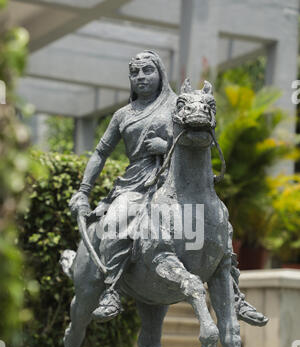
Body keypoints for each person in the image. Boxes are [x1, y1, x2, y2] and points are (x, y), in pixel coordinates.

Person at [70, 50, 268, 327]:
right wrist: (83, 190)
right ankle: (112, 289)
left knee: (220, 223)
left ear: (160, 73)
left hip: (177, 183)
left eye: (147, 70)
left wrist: (165, 148)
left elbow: (203, 142)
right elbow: (100, 153)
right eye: (135, 72)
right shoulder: (122, 115)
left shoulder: (181, 103)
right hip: (136, 183)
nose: (141, 77)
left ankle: (235, 294)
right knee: (117, 219)